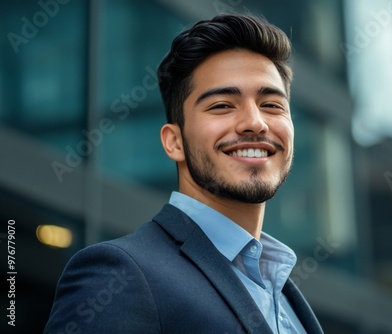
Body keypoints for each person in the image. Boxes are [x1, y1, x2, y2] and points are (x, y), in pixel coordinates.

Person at [44, 13, 323, 334]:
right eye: (222, 105)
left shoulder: (288, 298)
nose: (255, 122)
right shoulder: (117, 274)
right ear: (174, 141)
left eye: (272, 105)